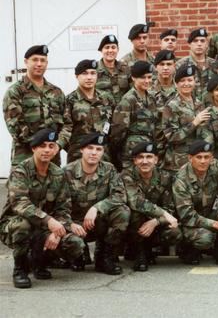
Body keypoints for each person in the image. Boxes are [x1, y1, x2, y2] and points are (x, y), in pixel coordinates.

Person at [0, 129, 84, 288]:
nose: (47, 150)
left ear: (55, 149)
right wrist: (48, 221)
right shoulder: (20, 171)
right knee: (23, 226)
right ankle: (20, 269)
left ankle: (39, 262)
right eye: (42, 146)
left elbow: (63, 208)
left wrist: (56, 231)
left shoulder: (58, 173)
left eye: (51, 146)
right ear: (33, 148)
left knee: (75, 244)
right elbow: (20, 203)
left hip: (45, 226)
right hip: (14, 224)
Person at [173, 140, 218, 267]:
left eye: (206, 157)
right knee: (205, 239)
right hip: (191, 222)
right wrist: (214, 224)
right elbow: (187, 215)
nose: (203, 161)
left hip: (211, 212)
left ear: (211, 158)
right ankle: (188, 247)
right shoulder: (181, 179)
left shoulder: (217, 166)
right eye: (199, 157)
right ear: (190, 158)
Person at [63, 133, 129, 275]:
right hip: (74, 224)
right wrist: (69, 224)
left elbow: (120, 195)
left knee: (123, 212)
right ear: (82, 150)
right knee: (74, 247)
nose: (94, 152)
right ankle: (78, 254)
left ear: (103, 152)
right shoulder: (67, 172)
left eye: (98, 149)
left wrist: (97, 208)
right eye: (90, 148)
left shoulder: (109, 169)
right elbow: (57, 206)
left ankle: (104, 256)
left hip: (97, 221)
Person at [120, 142, 180, 272]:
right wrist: (164, 214)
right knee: (134, 213)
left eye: (149, 157)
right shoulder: (126, 176)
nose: (145, 161)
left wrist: (156, 221)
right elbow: (136, 201)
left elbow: (171, 207)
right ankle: (139, 252)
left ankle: (149, 249)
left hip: (156, 224)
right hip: (133, 224)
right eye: (140, 157)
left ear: (156, 160)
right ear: (135, 161)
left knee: (175, 232)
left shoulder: (166, 178)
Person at [3, 45, 65, 167]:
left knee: (53, 186)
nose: (39, 64)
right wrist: (40, 147)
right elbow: (15, 127)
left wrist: (58, 144)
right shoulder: (15, 91)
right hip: (25, 156)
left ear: (46, 63)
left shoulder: (56, 92)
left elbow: (67, 123)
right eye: (35, 60)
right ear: (26, 62)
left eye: (42, 60)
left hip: (52, 157)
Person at [160, 64, 211, 184]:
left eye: (190, 80)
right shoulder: (171, 106)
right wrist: (194, 123)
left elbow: (205, 131)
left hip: (198, 161)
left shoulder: (199, 103)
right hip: (179, 163)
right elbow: (171, 137)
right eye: (182, 81)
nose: (186, 83)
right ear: (176, 83)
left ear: (195, 82)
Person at [58, 59, 115, 164]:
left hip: (103, 156)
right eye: (84, 73)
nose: (89, 77)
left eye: (93, 73)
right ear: (77, 76)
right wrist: (75, 148)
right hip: (78, 157)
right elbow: (64, 129)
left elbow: (113, 126)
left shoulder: (107, 98)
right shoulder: (69, 100)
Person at [110, 61, 157, 169]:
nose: (147, 81)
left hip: (148, 151)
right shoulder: (128, 100)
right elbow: (118, 131)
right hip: (131, 154)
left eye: (149, 77)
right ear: (133, 78)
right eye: (143, 78)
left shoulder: (151, 98)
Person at [176, 28, 213, 100]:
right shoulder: (180, 65)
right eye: (195, 41)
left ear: (207, 44)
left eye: (202, 41)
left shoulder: (215, 64)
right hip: (189, 107)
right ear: (189, 44)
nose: (199, 44)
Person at [96, 34, 131, 105]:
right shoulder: (94, 70)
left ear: (117, 50)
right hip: (102, 113)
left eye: (113, 47)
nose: (110, 50)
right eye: (107, 47)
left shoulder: (126, 69)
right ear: (101, 50)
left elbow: (133, 91)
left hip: (123, 112)